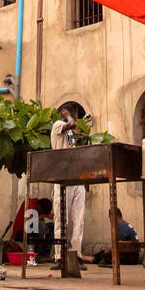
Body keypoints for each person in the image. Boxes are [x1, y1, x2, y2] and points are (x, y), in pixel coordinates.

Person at [50, 105, 91, 268]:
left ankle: (76, 255)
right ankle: (60, 256)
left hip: (76, 177)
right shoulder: (58, 126)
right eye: (73, 113)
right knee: (61, 219)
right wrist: (69, 117)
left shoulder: (71, 134)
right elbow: (72, 124)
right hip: (62, 177)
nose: (75, 116)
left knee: (78, 219)